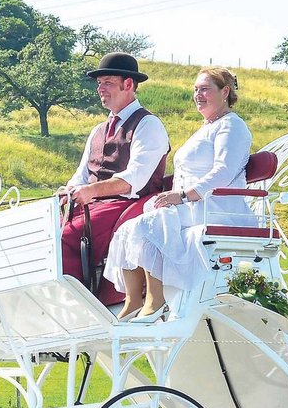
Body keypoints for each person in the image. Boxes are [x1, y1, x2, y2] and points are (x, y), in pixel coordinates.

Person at [103, 67, 253, 319]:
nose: (198, 95)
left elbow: (223, 172)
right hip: (192, 206)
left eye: (205, 89)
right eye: (195, 90)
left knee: (150, 226)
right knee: (130, 228)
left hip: (216, 208)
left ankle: (156, 300)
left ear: (225, 92)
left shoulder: (231, 126)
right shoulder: (206, 128)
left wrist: (183, 196)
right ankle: (132, 302)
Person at [58, 52, 170, 288]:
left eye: (108, 83)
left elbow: (135, 179)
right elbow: (81, 174)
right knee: (46, 230)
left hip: (127, 204)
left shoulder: (148, 125)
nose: (101, 89)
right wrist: (68, 190)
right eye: (99, 84)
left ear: (128, 84)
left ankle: (80, 298)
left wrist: (91, 191)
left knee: (66, 236)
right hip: (92, 204)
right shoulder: (98, 130)